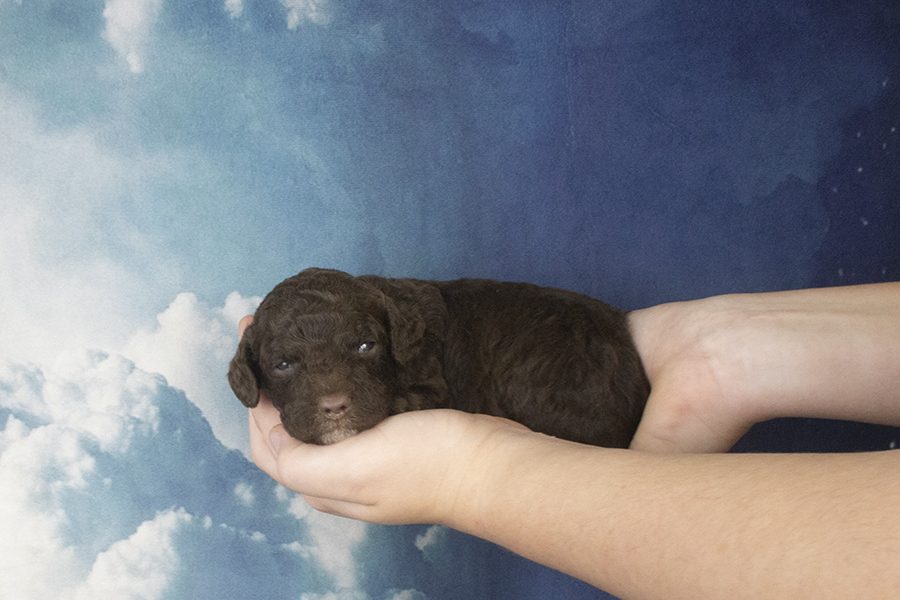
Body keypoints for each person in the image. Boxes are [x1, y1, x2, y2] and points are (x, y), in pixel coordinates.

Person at [242, 282, 900, 598]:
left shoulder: (416, 328)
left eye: (362, 348)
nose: (332, 393)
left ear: (392, 335)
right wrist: (717, 356)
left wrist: (473, 474)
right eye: (287, 367)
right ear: (251, 373)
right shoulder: (396, 315)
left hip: (572, 380)